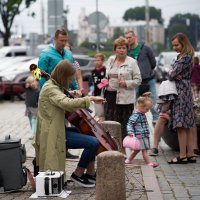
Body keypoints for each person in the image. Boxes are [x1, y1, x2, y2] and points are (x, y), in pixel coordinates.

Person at [34, 60, 106, 187]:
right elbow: (66, 103)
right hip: (54, 132)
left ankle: (89, 173)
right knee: (93, 142)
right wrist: (90, 98)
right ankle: (78, 175)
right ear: (62, 76)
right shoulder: (50, 88)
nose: (70, 81)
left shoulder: (54, 85)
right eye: (69, 78)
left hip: (59, 128)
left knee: (89, 134)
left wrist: (72, 93)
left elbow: (61, 95)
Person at [38, 28, 81, 158]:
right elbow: (38, 75)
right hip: (52, 94)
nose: (63, 43)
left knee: (65, 122)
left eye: (65, 40)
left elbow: (72, 74)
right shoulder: (45, 54)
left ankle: (64, 148)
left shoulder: (68, 53)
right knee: (55, 122)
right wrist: (46, 93)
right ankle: (52, 149)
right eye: (61, 40)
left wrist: (77, 89)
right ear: (54, 39)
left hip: (67, 93)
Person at [102, 37, 142, 145]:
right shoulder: (110, 59)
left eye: (124, 48)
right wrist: (105, 80)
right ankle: (111, 147)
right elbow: (107, 75)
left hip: (125, 99)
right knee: (110, 123)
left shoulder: (132, 62)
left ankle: (123, 150)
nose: (121, 50)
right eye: (119, 48)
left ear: (127, 49)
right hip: (110, 96)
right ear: (115, 49)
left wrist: (126, 83)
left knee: (124, 125)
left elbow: (138, 80)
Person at [167, 32, 196, 164]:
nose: (175, 48)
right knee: (187, 124)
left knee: (181, 125)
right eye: (173, 45)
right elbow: (173, 73)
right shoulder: (186, 57)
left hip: (180, 93)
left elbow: (171, 73)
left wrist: (172, 71)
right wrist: (173, 72)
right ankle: (191, 154)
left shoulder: (184, 58)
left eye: (177, 45)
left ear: (184, 43)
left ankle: (182, 155)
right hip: (186, 91)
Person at [125, 30, 159, 125]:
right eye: (126, 38)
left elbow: (153, 63)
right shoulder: (126, 51)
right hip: (135, 82)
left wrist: (146, 71)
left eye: (130, 37)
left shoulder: (146, 48)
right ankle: (135, 123)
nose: (128, 39)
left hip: (148, 80)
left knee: (153, 102)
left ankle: (156, 122)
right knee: (134, 103)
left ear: (135, 37)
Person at [124, 92, 158, 168]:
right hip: (139, 136)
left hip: (143, 135)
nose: (148, 111)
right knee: (144, 150)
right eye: (147, 109)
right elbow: (130, 123)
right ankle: (148, 163)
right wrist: (130, 131)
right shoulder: (136, 115)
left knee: (137, 150)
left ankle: (128, 160)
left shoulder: (142, 114)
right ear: (140, 106)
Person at [88, 53, 106, 122]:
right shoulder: (93, 71)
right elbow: (91, 82)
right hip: (95, 94)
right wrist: (91, 91)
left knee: (102, 113)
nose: (96, 62)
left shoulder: (105, 70)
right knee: (98, 113)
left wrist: (99, 86)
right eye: (95, 60)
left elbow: (106, 81)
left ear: (102, 61)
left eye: (98, 60)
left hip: (103, 94)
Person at [24, 76, 39, 140]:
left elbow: (39, 100)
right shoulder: (27, 89)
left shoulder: (37, 91)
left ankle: (33, 134)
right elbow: (22, 85)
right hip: (28, 108)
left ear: (36, 82)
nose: (32, 83)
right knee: (30, 121)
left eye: (33, 81)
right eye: (30, 83)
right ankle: (34, 132)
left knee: (33, 121)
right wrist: (26, 84)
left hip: (35, 108)